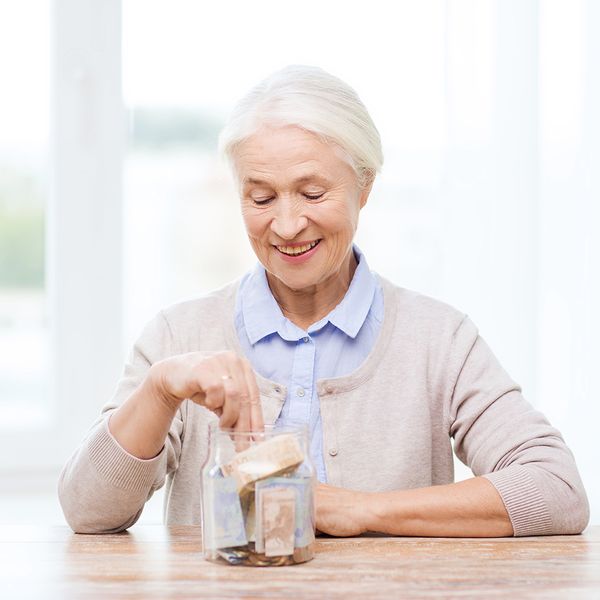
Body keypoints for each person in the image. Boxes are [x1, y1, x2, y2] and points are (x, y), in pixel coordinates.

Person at [58, 65, 589, 537]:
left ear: (364, 185)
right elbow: (88, 512)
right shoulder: (179, 336)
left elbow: (555, 490)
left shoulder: (439, 339)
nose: (287, 226)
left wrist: (358, 511)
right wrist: (158, 392)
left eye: (313, 194)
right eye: (261, 197)